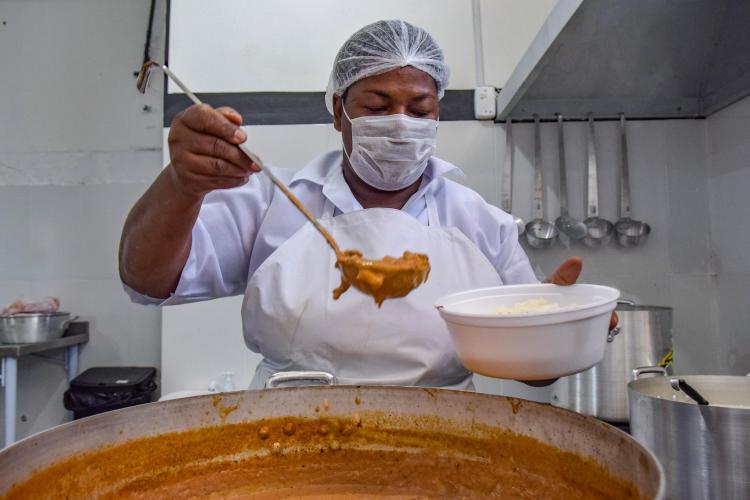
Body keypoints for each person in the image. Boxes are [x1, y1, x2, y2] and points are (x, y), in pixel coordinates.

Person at [120, 20, 606, 390]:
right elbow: (146, 281)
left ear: (437, 114)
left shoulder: (478, 221)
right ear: (339, 111)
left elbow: (534, 371)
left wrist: (562, 327)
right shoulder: (273, 200)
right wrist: (181, 185)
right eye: (376, 107)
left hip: (444, 440)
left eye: (419, 110)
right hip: (288, 438)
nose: (400, 123)